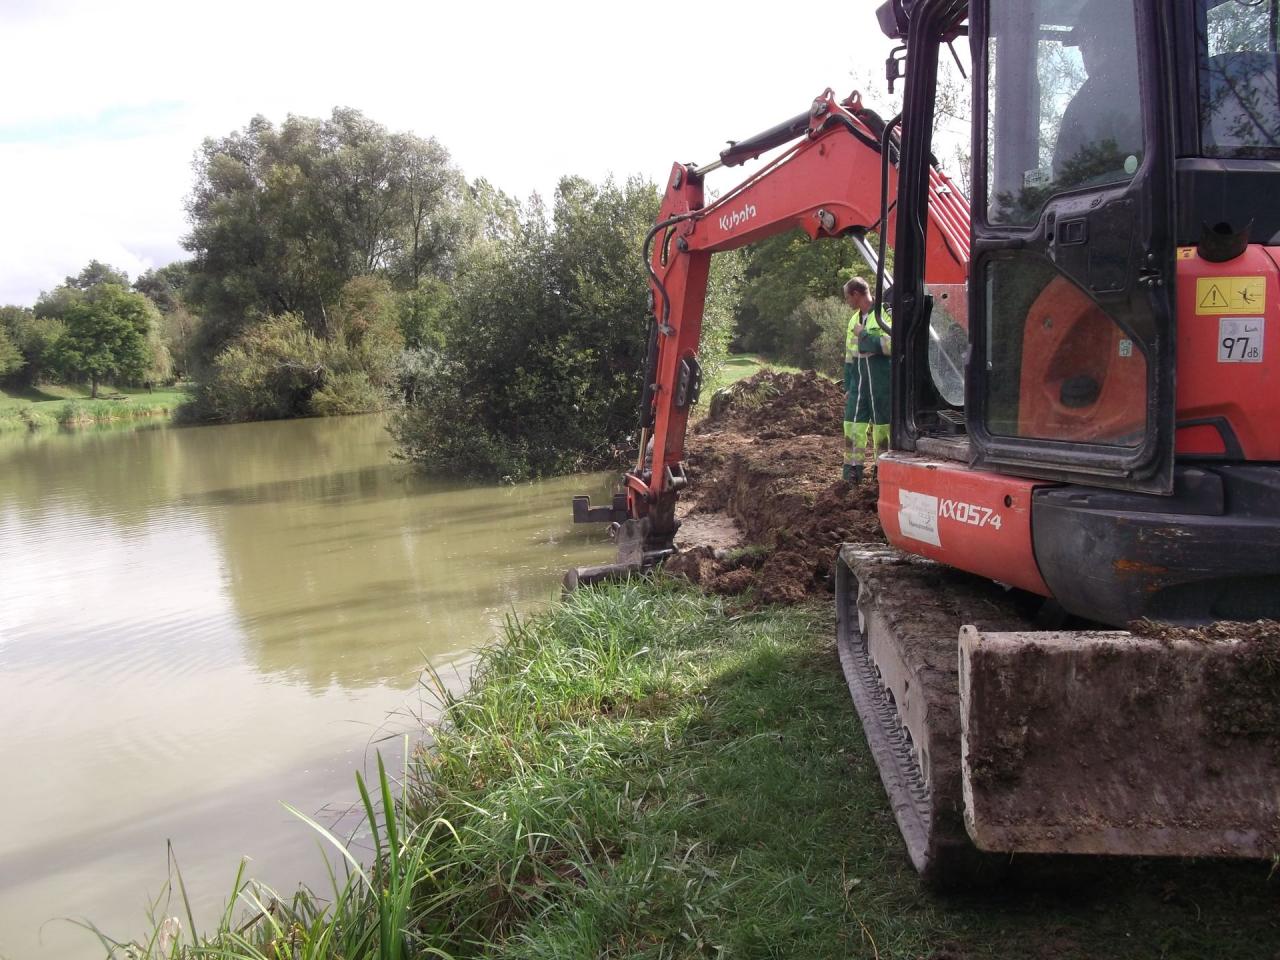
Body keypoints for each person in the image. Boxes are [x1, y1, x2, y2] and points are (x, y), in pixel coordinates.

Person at [1051, 0, 1143, 185]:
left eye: (1083, 44)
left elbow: (1064, 179)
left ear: (1100, 43)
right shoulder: (1169, 78)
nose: (1081, 51)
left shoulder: (1090, 101)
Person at [841, 277, 891, 483]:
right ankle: (853, 471)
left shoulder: (884, 315)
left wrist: (864, 337)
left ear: (856, 294)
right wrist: (847, 385)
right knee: (852, 424)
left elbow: (891, 346)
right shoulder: (853, 320)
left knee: (883, 426)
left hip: (881, 381)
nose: (847, 302)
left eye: (847, 298)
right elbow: (850, 356)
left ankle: (883, 470)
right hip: (858, 383)